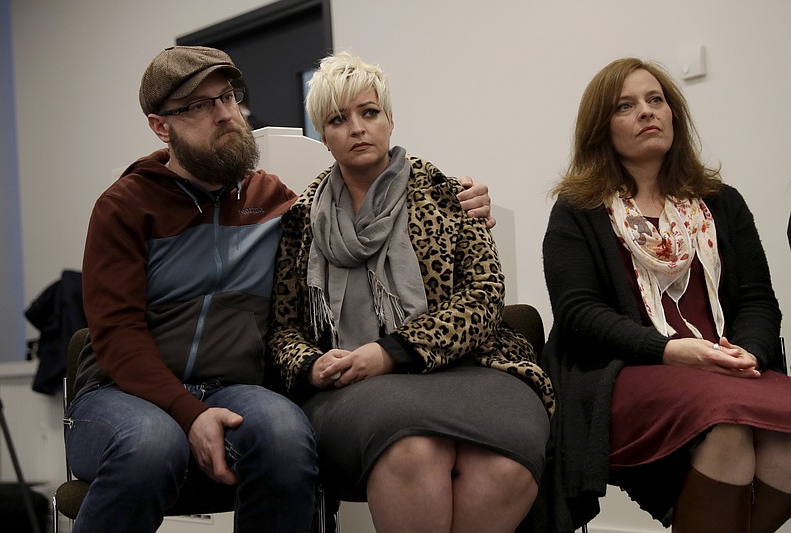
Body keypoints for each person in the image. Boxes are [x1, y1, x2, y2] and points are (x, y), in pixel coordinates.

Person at [65, 45, 496, 533]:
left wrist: (464, 199)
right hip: (121, 395)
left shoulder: (276, 201)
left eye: (228, 96)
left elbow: (357, 221)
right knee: (151, 444)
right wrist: (188, 414)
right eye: (200, 106)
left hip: (233, 389)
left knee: (288, 436)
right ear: (161, 126)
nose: (226, 114)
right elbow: (118, 336)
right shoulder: (123, 207)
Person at [270, 51, 555, 533]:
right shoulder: (300, 219)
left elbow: (485, 296)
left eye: (369, 112)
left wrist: (394, 351)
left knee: (504, 465)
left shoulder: (447, 192)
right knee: (415, 450)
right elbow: (284, 328)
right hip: (352, 386)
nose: (357, 128)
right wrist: (310, 363)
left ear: (390, 120)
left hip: (476, 367)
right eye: (338, 119)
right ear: (322, 134)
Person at [540, 57, 791, 533]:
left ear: (673, 113)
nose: (647, 112)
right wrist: (670, 350)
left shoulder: (722, 202)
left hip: (726, 367)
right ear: (602, 128)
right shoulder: (579, 210)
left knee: (785, 436)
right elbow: (578, 314)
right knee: (728, 426)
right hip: (626, 370)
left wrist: (749, 352)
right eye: (626, 105)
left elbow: (759, 300)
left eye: (656, 100)